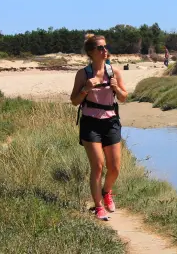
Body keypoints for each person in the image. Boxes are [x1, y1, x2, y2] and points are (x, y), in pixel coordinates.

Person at [70, 34, 128, 221]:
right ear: (91, 53)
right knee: (97, 165)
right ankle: (98, 206)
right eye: (100, 48)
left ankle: (106, 191)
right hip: (90, 122)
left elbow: (124, 97)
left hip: (111, 121)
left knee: (115, 168)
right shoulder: (83, 74)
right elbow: (74, 101)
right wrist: (86, 88)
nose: (105, 51)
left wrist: (116, 89)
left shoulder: (114, 72)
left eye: (105, 47)